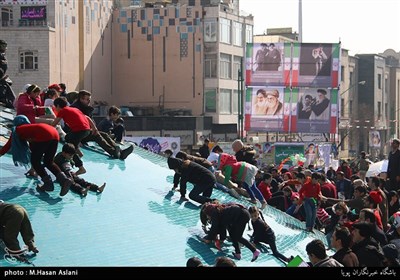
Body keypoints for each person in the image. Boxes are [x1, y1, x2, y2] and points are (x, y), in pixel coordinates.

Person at [0, 115, 72, 196]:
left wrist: (1, 153)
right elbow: (33, 149)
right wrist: (33, 169)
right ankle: (64, 180)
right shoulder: (30, 129)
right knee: (48, 161)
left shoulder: (18, 130)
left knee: (35, 161)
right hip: (55, 134)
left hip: (45, 134)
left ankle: (48, 184)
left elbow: (7, 146)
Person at [0, 39, 15, 108]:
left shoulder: (2, 56)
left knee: (11, 99)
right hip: (1, 80)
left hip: (3, 79)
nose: (5, 48)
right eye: (3, 46)